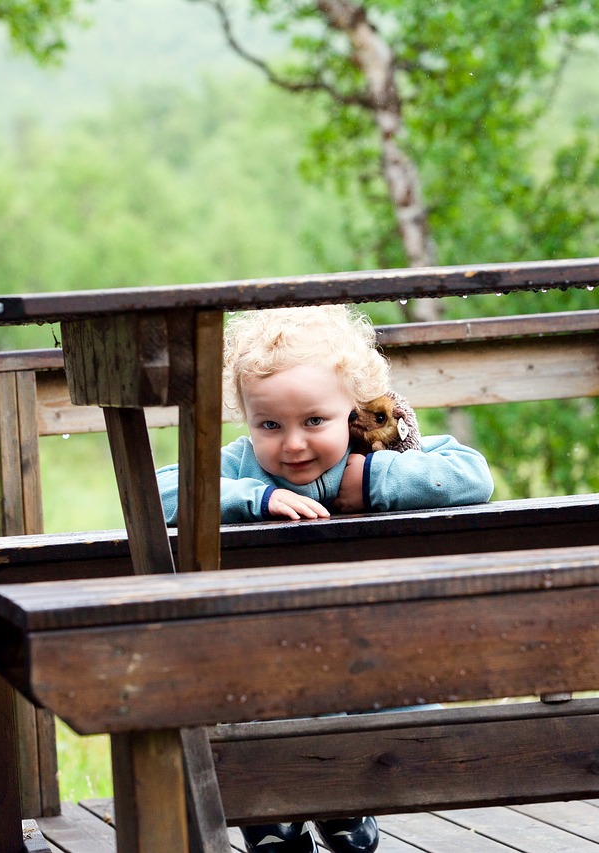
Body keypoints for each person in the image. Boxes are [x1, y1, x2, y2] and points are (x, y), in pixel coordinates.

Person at [155, 304, 494, 853]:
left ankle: (343, 810)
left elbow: (471, 475)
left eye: (315, 421)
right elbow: (162, 489)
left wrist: (372, 479)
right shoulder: (240, 467)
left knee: (352, 714)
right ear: (244, 416)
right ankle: (274, 825)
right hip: (263, 661)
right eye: (270, 424)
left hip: (371, 659)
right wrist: (254, 498)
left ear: (354, 412)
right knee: (254, 712)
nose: (292, 445)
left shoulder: (378, 453)